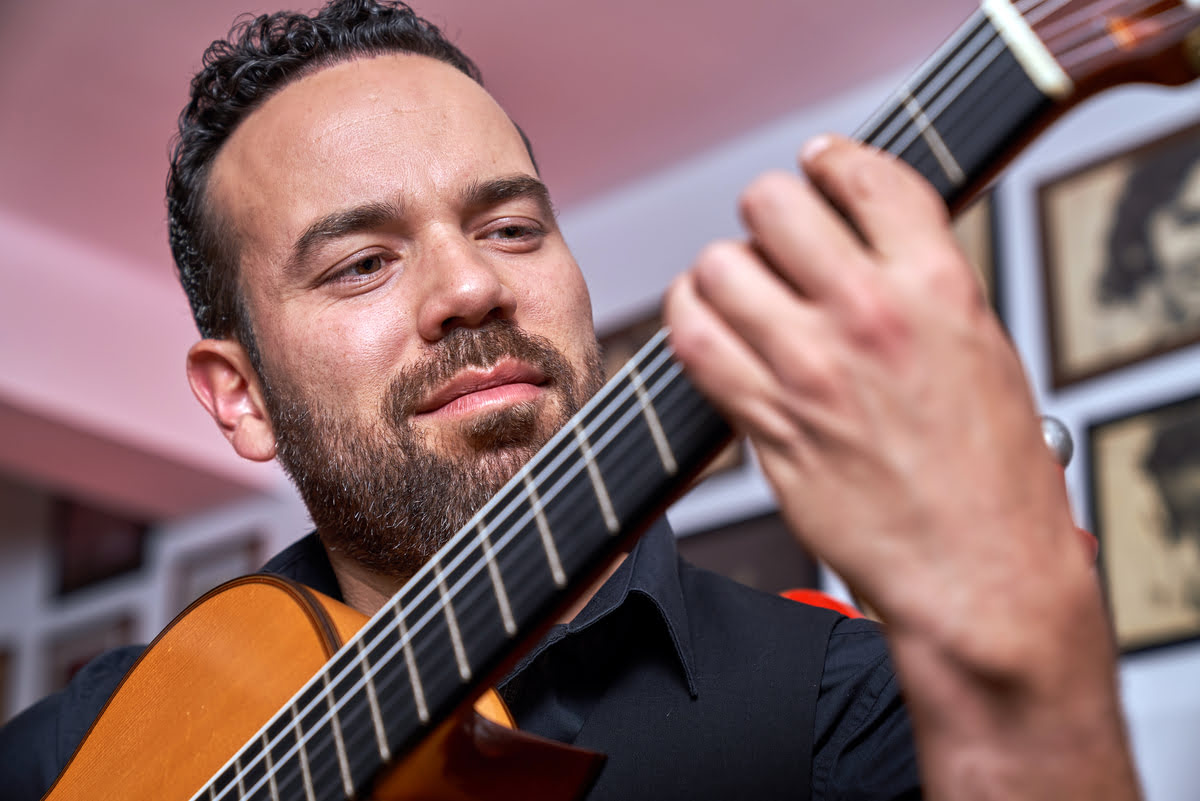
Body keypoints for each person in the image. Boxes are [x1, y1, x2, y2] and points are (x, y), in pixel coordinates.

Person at [0, 2, 1140, 800]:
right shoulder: (74, 747)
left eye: (510, 228)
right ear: (238, 397)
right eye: (361, 263)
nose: (471, 286)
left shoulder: (852, 709)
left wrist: (1020, 673)